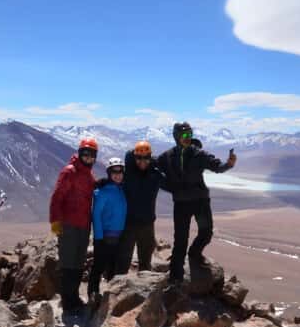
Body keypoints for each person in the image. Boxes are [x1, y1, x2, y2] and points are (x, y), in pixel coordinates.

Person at [156, 122, 236, 284]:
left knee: (206, 233)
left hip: (200, 201)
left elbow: (216, 166)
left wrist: (228, 164)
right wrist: (167, 186)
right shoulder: (167, 157)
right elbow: (152, 166)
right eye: (185, 135)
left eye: (190, 134)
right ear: (177, 136)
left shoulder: (199, 154)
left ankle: (194, 254)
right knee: (180, 240)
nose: (188, 138)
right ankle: (175, 277)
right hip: (181, 203)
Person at [49, 137, 98, 315]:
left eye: (92, 155)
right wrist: (55, 221)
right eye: (85, 154)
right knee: (68, 262)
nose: (88, 157)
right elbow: (57, 197)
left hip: (84, 225)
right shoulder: (70, 171)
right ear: (80, 153)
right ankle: (67, 301)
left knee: (78, 262)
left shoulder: (88, 174)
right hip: (69, 224)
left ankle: (74, 297)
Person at [118, 141, 166, 274]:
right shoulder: (126, 174)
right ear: (134, 158)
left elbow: (171, 185)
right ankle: (116, 291)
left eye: (146, 158)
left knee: (145, 262)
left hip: (147, 224)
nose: (142, 161)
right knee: (123, 261)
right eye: (139, 158)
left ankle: (144, 290)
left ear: (150, 157)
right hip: (128, 224)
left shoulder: (155, 175)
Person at [88, 157, 127, 303]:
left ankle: (110, 297)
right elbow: (96, 214)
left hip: (118, 236)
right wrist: (98, 237)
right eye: (114, 172)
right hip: (104, 237)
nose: (117, 174)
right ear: (109, 173)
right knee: (98, 266)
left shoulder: (121, 189)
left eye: (120, 172)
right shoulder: (102, 192)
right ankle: (93, 294)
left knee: (112, 266)